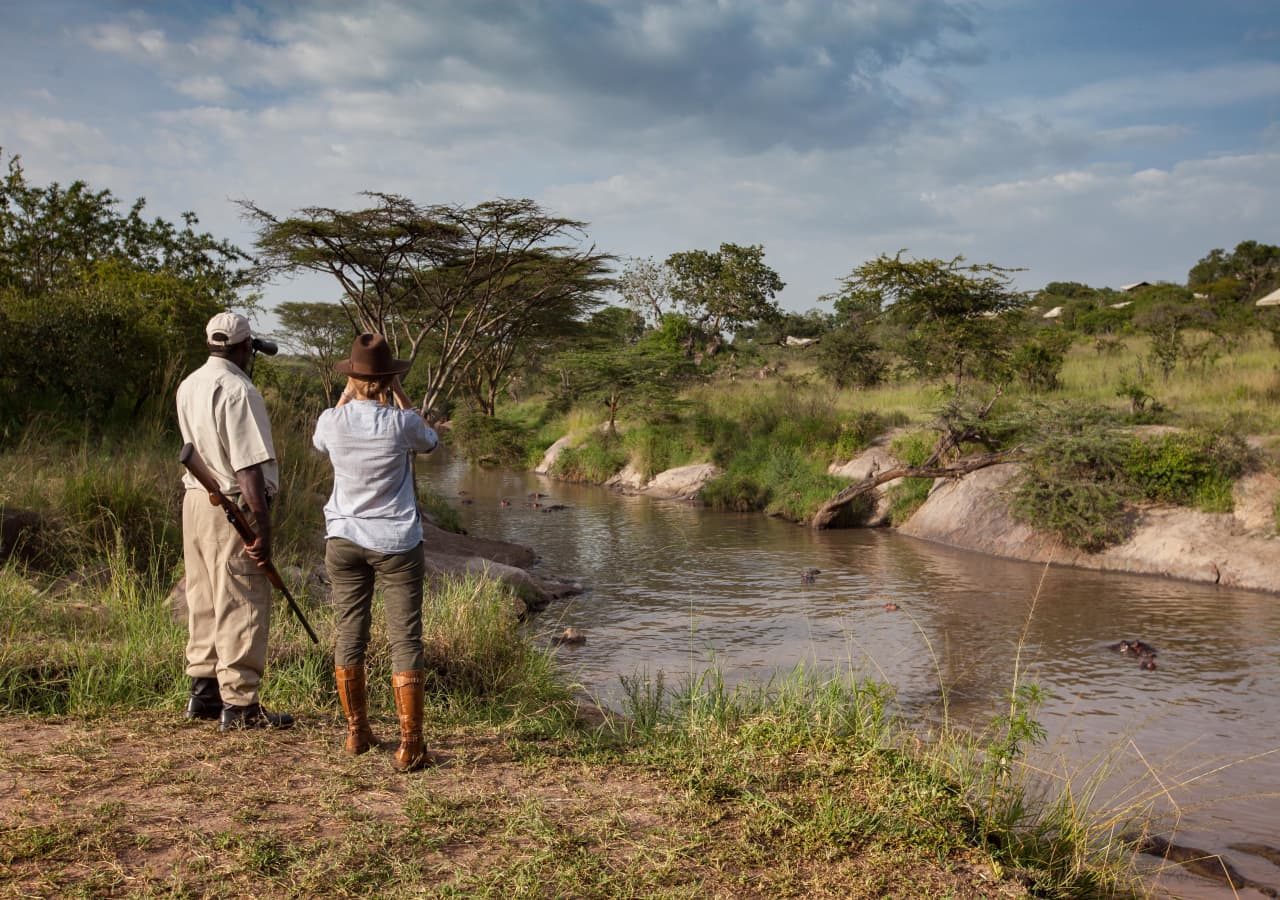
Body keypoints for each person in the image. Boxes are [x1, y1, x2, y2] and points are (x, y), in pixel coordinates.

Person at [312, 333, 439, 772]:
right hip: (397, 542)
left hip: (343, 539)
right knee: (405, 638)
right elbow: (430, 441)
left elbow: (320, 440)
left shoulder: (332, 420)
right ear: (386, 380)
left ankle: (356, 732)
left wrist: (350, 391)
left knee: (351, 634)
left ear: (352, 376)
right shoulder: (399, 422)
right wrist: (400, 392)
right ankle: (410, 745)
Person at [176, 311, 294, 731]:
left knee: (205, 595)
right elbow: (248, 469)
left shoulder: (189, 384)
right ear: (244, 348)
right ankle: (240, 704)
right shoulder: (240, 390)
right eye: (251, 351)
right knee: (241, 597)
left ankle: (204, 694)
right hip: (230, 503)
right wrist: (262, 527)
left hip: (196, 502)